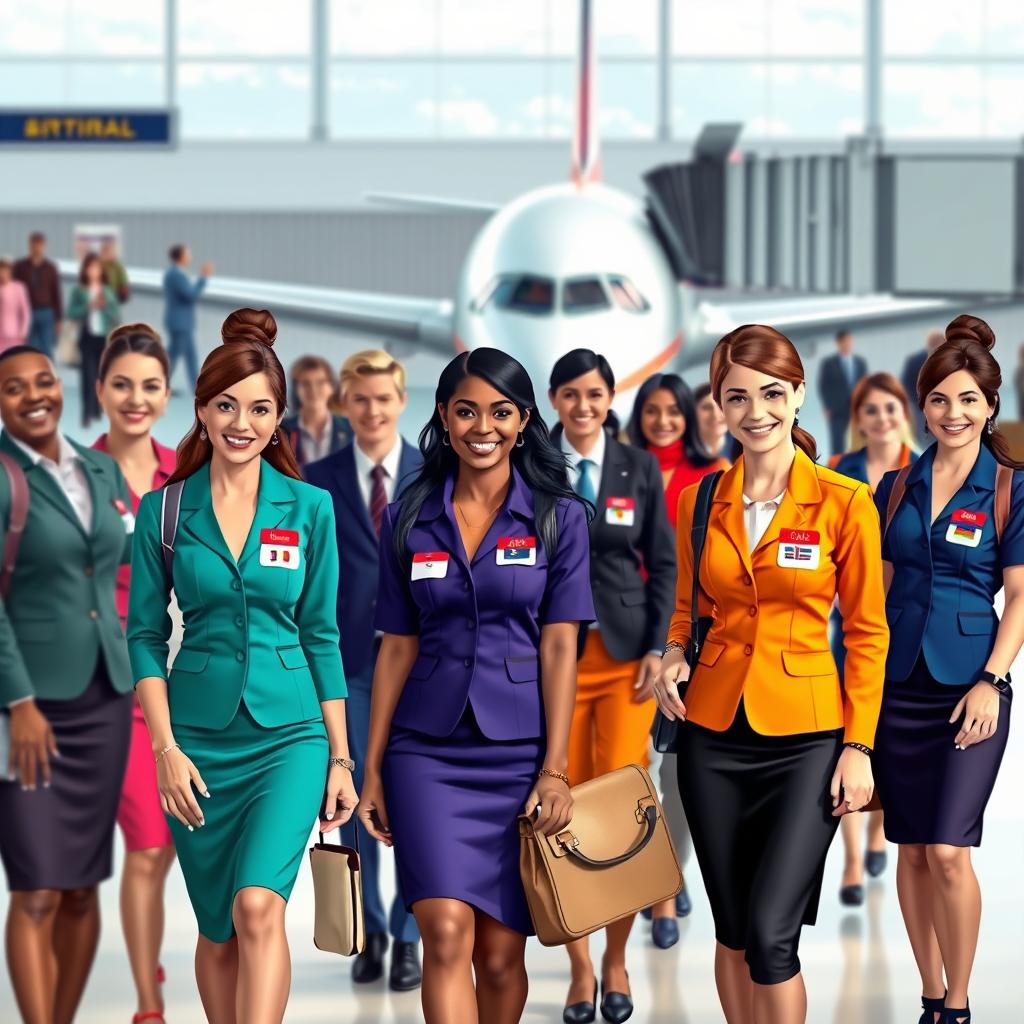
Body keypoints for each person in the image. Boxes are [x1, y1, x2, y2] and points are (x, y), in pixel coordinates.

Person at [127, 308, 357, 1024]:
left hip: (290, 737)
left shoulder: (311, 508)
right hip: (196, 744)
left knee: (259, 907)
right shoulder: (163, 513)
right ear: (200, 409)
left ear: (280, 417)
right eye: (225, 405)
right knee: (219, 926)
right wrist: (164, 749)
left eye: (260, 408)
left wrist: (342, 759)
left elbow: (322, 634)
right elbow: (141, 637)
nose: (241, 422)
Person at [653, 324, 887, 1024]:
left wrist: (860, 747)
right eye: (737, 397)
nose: (756, 411)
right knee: (730, 931)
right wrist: (670, 655)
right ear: (718, 407)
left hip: (808, 739)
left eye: (772, 393)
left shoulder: (845, 502)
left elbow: (869, 634)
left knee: (772, 937)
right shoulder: (700, 501)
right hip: (713, 733)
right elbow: (685, 611)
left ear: (799, 396)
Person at [357, 349, 594, 1024]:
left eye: (499, 412)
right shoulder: (405, 516)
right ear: (443, 417)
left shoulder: (559, 517)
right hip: (424, 751)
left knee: (498, 957)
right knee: (444, 933)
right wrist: (372, 769)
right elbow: (396, 648)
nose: (481, 426)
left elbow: (559, 646)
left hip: (518, 754)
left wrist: (555, 767)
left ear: (523, 421)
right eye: (465, 411)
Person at [873, 314, 1024, 1024]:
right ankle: (928, 991)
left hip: (971, 686)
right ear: (921, 404)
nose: (953, 413)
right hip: (895, 682)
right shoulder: (896, 486)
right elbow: (872, 591)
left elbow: (1021, 595)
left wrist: (993, 680)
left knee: (948, 852)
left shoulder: (1009, 487)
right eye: (939, 399)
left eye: (967, 400)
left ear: (990, 405)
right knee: (907, 848)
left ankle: (958, 1005)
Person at [0, 345, 135, 1024]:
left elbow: (122, 568)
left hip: (105, 697)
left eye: (44, 381)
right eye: (15, 387)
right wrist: (18, 701)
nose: (34, 395)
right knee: (36, 891)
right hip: (29, 708)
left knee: (82, 887)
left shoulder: (101, 468)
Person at [549, 350, 676, 1019]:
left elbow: (663, 561)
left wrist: (658, 647)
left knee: (624, 809)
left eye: (594, 394)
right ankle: (578, 969)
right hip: (555, 665)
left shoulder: (637, 467)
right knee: (563, 810)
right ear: (554, 400)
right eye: (570, 395)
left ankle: (618, 959)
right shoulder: (531, 465)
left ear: (608, 398)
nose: (583, 406)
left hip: (626, 662)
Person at [304, 349, 423, 991]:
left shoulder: (432, 474)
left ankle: (408, 935)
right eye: (361, 399)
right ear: (344, 404)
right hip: (343, 660)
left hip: (416, 663)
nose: (373, 410)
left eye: (384, 398)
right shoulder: (315, 477)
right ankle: (369, 929)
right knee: (346, 797)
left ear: (400, 402)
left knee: (407, 799)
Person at [625, 372, 730, 947]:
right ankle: (650, 886)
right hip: (623, 636)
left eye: (673, 411)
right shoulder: (618, 471)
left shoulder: (711, 479)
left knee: (677, 774)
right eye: (653, 410)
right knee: (631, 772)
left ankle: (670, 874)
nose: (663, 420)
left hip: (689, 642)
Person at [92, 324, 177, 1024]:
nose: (135, 398)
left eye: (149, 385)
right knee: (146, 844)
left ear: (168, 393)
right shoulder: (74, 474)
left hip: (190, 686)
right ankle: (149, 1007)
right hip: (112, 689)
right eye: (122, 384)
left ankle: (146, 941)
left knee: (176, 841)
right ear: (99, 390)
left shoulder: (188, 474)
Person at [829, 372, 917, 908]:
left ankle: (881, 824)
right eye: (871, 411)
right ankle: (854, 862)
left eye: (889, 409)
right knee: (850, 733)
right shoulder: (841, 472)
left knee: (885, 730)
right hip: (852, 623)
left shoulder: (924, 470)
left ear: (902, 413)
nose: (881, 419)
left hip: (904, 623)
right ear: (857, 420)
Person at [66, 253, 120, 430]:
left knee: (100, 376)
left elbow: (116, 316)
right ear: (85, 270)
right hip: (86, 338)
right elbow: (71, 313)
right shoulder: (79, 290)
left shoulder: (107, 291)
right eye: (90, 267)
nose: (93, 271)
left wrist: (105, 307)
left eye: (96, 267)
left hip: (103, 338)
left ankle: (97, 410)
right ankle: (86, 414)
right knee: (87, 376)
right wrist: (88, 307)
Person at [280, 354, 350, 471]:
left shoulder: (351, 429)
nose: (313, 389)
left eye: (320, 382)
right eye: (305, 383)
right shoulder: (281, 430)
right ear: (296, 389)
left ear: (332, 387)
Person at [162, 244, 213, 393]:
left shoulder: (176, 273)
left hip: (181, 322)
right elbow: (191, 295)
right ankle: (162, 384)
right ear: (181, 256)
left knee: (184, 355)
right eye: (188, 254)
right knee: (178, 356)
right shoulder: (175, 275)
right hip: (180, 323)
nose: (190, 257)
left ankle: (195, 385)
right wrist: (203, 278)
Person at [818, 328, 868, 457]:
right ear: (838, 343)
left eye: (848, 341)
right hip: (837, 409)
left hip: (857, 408)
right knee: (837, 443)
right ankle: (837, 471)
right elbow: (823, 386)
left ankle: (859, 468)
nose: (847, 343)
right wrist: (827, 407)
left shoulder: (860, 362)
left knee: (860, 439)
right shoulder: (829, 363)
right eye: (843, 341)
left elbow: (866, 385)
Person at [12, 232, 62, 359]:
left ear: (44, 246)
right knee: (29, 347)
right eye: (34, 244)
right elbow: (13, 290)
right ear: (29, 245)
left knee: (46, 347)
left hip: (46, 311)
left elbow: (56, 293)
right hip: (27, 312)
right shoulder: (20, 266)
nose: (36, 248)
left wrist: (58, 319)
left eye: (39, 245)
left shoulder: (50, 268)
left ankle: (49, 376)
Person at [901, 330, 945, 446]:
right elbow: (906, 384)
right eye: (935, 345)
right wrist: (919, 403)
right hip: (921, 409)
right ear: (930, 345)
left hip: (944, 407)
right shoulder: (914, 361)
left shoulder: (950, 359)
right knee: (925, 440)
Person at [694, 381, 735, 461]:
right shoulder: (682, 453)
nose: (715, 415)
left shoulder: (744, 447)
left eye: (720, 406)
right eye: (706, 407)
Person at [0, 257, 31, 352]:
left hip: (16, 335)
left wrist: (24, 331)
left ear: (10, 272)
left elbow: (26, 312)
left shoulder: (19, 288)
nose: (2, 274)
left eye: (4, 271)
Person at [101, 239, 131, 305]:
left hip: (114, 297)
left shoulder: (118, 267)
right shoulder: (98, 264)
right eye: (108, 251)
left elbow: (124, 285)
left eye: (114, 251)